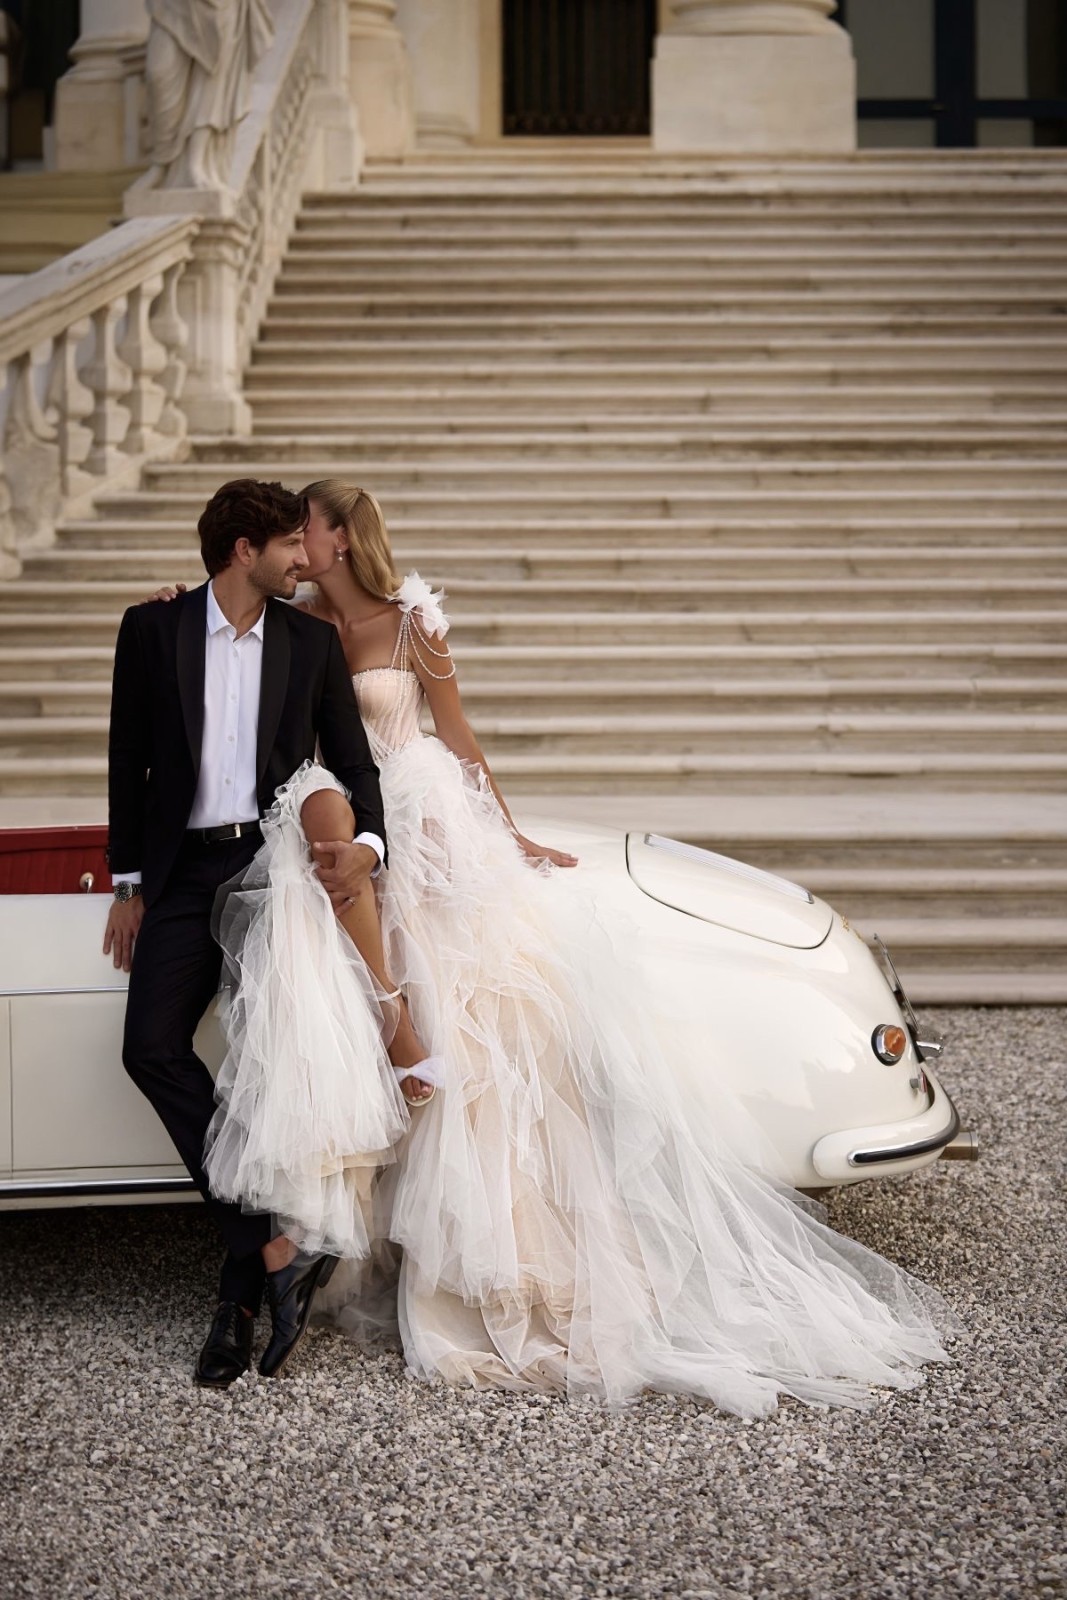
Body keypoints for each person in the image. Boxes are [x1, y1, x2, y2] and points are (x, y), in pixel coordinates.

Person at [147, 479, 956, 1414]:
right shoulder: (301, 619)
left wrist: (510, 833)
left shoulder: (414, 624)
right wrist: (181, 600)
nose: (299, 544)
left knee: (489, 1015)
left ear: (340, 538)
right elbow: (230, 614)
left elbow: (458, 739)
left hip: (428, 813)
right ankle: (408, 1207)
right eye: (288, 537)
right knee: (388, 991)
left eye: (310, 531)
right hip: (365, 817)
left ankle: (514, 1255)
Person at [107, 478, 429, 1391]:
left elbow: (355, 765)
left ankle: (236, 1304)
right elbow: (125, 754)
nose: (303, 558)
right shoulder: (153, 630)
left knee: (258, 1073)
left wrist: (367, 847)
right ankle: (270, 1243)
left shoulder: (310, 641)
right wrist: (128, 881)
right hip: (178, 876)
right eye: (288, 545)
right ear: (242, 551)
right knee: (150, 1049)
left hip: (272, 875)